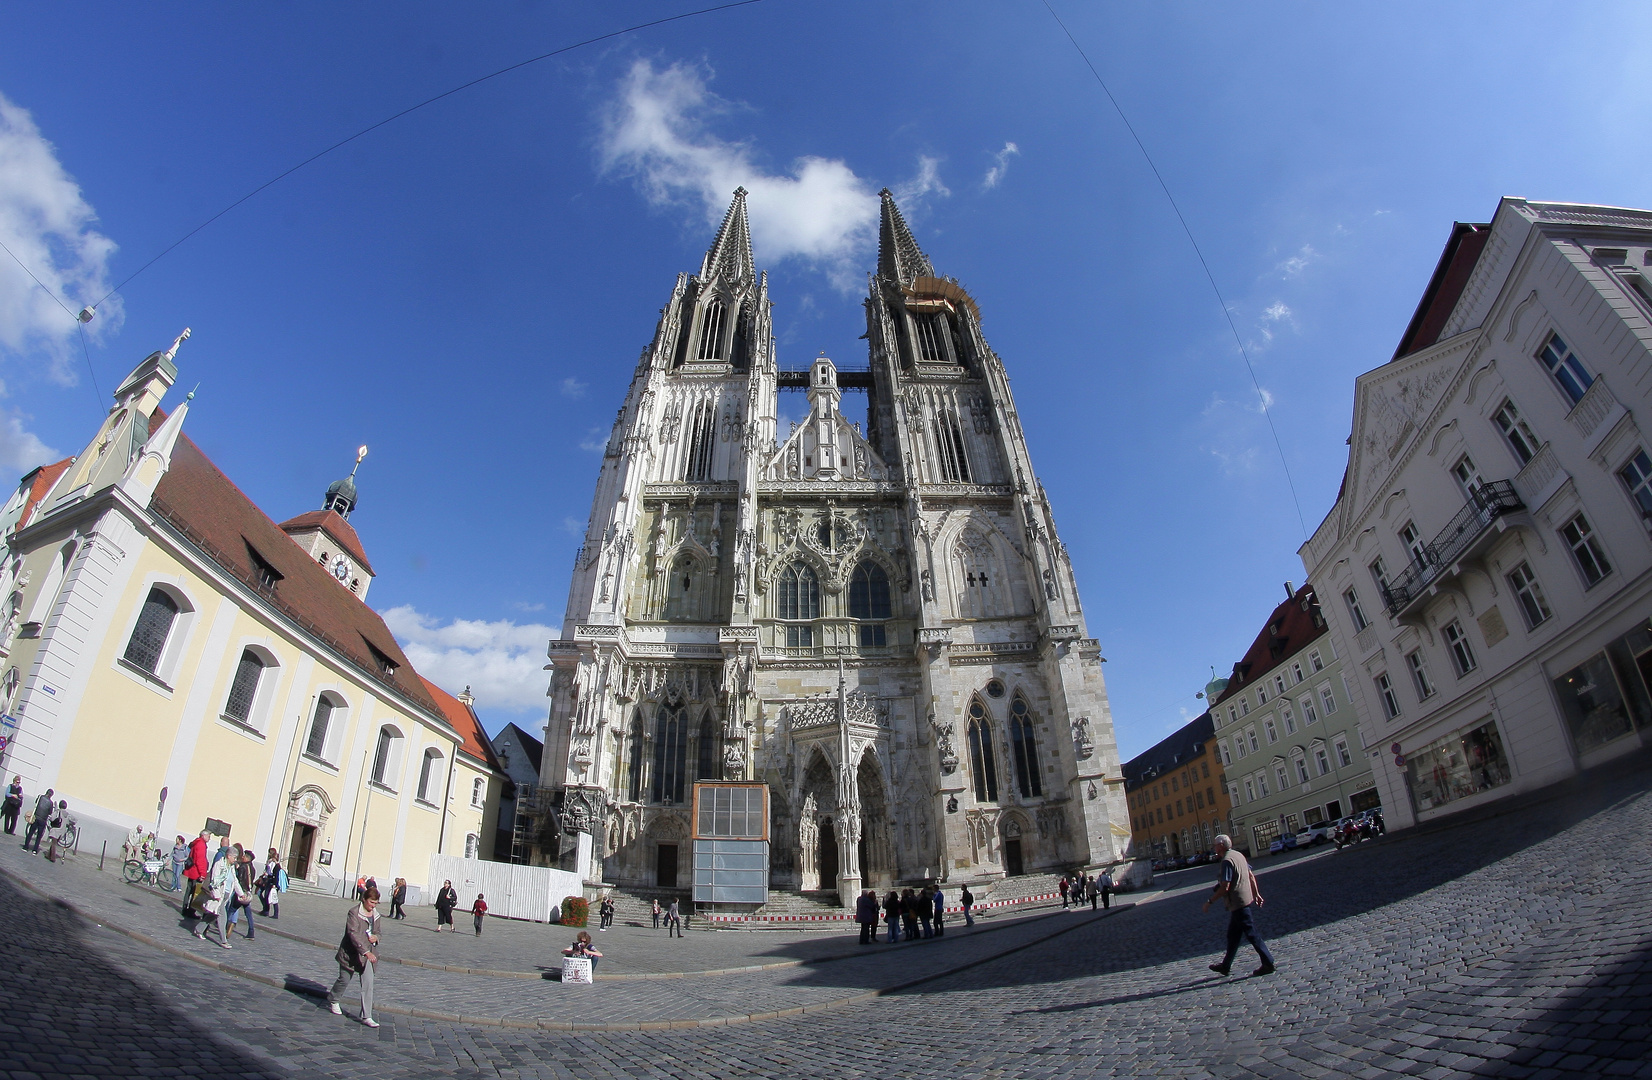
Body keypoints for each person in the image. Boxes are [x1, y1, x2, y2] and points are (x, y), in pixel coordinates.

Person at [1202, 833, 1275, 977]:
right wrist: (1256, 894)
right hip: (1243, 900)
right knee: (1233, 935)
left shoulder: (1227, 861)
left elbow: (1225, 887)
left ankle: (1268, 962)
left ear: (1221, 846)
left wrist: (1209, 902)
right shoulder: (1238, 855)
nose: (1214, 847)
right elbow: (1251, 875)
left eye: (1215, 845)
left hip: (1237, 902)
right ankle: (1225, 965)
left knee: (1252, 933)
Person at [328, 885, 381, 1028]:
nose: (373, 906)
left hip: (368, 957)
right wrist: (365, 951)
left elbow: (378, 932)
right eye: (371, 902)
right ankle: (334, 999)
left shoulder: (376, 915)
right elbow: (353, 934)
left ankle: (367, 1016)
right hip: (351, 953)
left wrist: (376, 937)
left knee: (368, 983)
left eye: (375, 903)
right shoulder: (354, 913)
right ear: (364, 899)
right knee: (344, 979)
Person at [194, 843, 237, 949]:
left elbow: (235, 881)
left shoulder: (231, 867)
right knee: (223, 917)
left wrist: (241, 894)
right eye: (234, 857)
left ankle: (198, 929)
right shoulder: (219, 864)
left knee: (213, 915)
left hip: (226, 895)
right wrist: (216, 894)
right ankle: (223, 941)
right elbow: (214, 879)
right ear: (229, 856)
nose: (235, 860)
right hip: (219, 895)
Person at [226, 850, 258, 939]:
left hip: (241, 893)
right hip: (247, 893)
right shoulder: (252, 868)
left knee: (231, 910)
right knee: (248, 913)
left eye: (244, 856)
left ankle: (226, 926)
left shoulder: (242, 867)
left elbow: (239, 880)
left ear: (247, 858)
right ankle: (251, 932)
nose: (242, 857)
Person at [181, 830, 211, 916]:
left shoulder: (196, 842)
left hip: (192, 871)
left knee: (189, 890)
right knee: (194, 892)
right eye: (208, 836)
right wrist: (202, 873)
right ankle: (190, 910)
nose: (209, 838)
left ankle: (185, 908)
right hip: (196, 872)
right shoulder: (201, 844)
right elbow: (200, 860)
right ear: (203, 835)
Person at [22, 788, 53, 853]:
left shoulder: (40, 797)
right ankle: (35, 850)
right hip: (43, 820)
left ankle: (25, 847)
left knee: (30, 832)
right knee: (39, 836)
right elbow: (50, 812)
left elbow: (36, 802)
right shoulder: (50, 803)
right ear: (51, 795)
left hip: (36, 817)